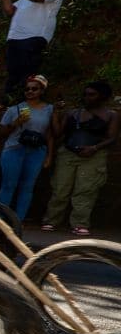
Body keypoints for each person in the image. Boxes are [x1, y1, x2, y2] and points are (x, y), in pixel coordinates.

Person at [41, 80, 118, 235]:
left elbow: (112, 138)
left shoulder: (111, 115)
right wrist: (55, 113)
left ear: (102, 97)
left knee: (85, 190)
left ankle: (80, 223)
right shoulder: (73, 113)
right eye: (86, 94)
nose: (87, 97)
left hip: (94, 155)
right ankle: (51, 220)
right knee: (60, 188)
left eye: (92, 95)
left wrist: (94, 148)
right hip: (68, 153)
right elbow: (58, 134)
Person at [0, 0, 65, 101]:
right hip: (14, 39)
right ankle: (9, 107)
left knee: (27, 76)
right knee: (13, 74)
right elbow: (10, 10)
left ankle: (26, 107)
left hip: (33, 37)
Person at [0, 74, 54, 221]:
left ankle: (18, 220)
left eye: (34, 89)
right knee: (8, 185)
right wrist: (15, 123)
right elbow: (1, 132)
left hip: (37, 151)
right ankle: (0, 219)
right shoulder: (14, 109)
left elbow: (50, 134)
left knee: (27, 187)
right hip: (14, 149)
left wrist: (49, 155)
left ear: (42, 91)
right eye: (27, 89)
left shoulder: (49, 110)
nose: (30, 91)